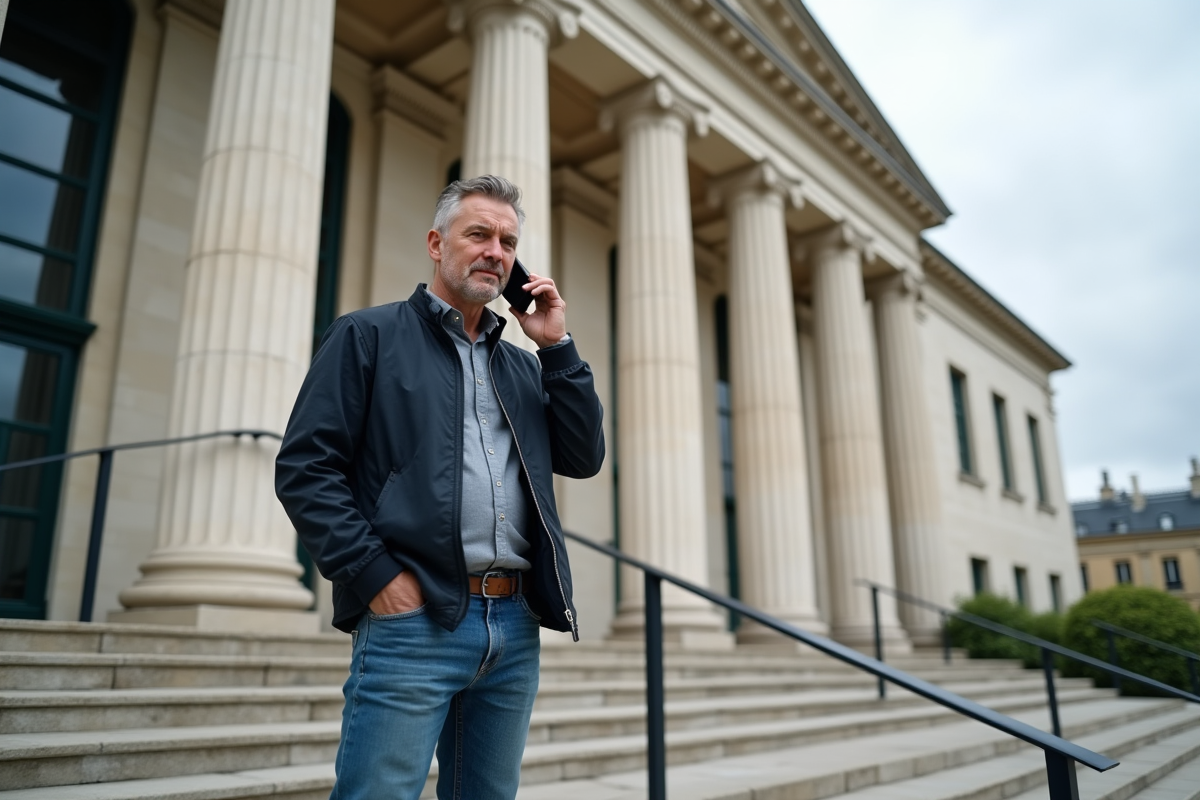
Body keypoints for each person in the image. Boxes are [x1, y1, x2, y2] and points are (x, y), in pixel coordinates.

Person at [275, 174, 605, 800]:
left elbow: (583, 457)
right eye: (478, 233)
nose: (495, 252)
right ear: (436, 242)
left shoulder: (522, 364)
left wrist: (558, 349)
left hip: (512, 626)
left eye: (508, 241)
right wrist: (374, 575)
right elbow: (306, 468)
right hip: (413, 621)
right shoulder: (367, 336)